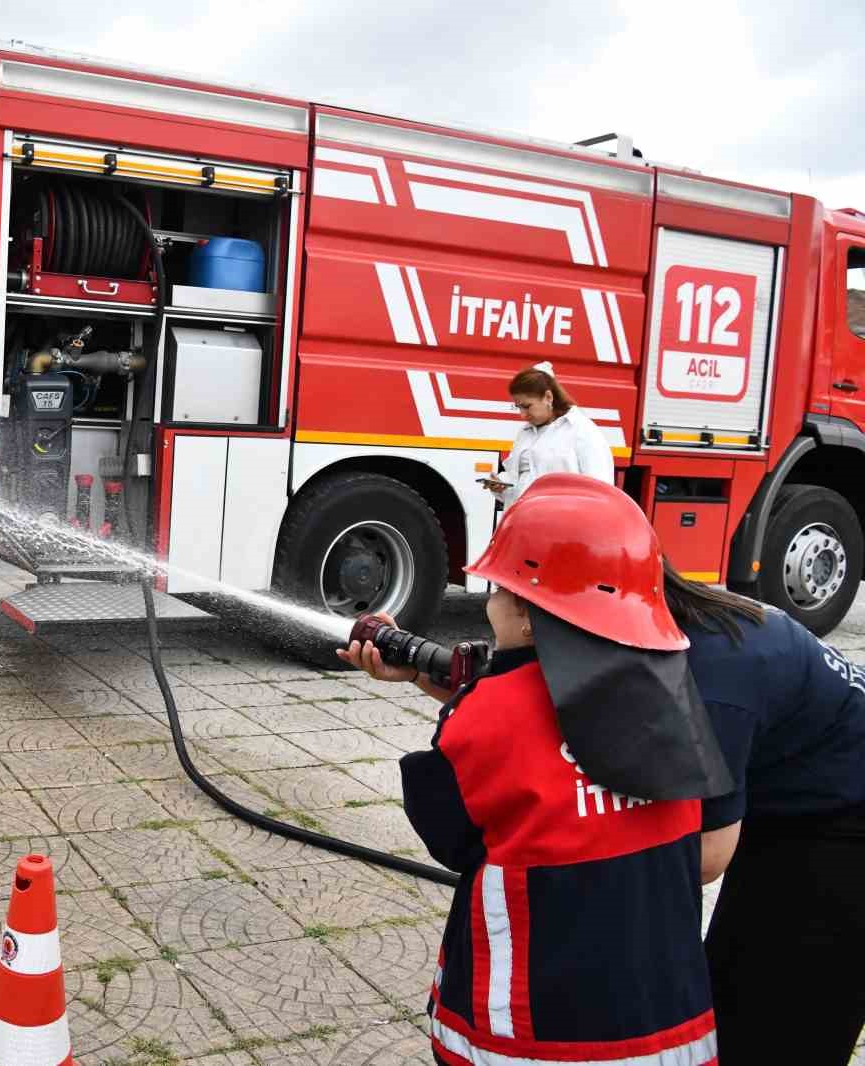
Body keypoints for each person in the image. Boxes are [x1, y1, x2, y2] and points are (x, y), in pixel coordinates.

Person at [340, 474, 724, 1065]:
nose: (488, 600)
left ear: (525, 612)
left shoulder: (485, 715)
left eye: (495, 589)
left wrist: (466, 703)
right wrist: (427, 676)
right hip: (670, 1030)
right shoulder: (675, 697)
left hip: (531, 1036)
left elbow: (452, 834)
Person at [663, 565, 865, 1064]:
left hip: (845, 829)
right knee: (732, 982)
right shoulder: (686, 615)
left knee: (786, 1018)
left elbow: (708, 854)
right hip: (798, 796)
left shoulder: (714, 682)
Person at [487, 362, 613, 506]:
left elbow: (600, 492)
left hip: (561, 524)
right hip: (522, 521)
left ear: (548, 397)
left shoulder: (583, 431)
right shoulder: (525, 433)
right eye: (518, 407)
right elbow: (519, 484)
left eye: (527, 406)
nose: (522, 415)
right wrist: (502, 486)